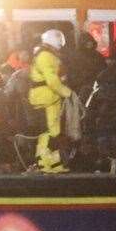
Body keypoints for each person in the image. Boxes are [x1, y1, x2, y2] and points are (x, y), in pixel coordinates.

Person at [28, 28, 73, 173]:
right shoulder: (46, 56)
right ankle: (46, 165)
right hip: (47, 98)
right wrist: (67, 92)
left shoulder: (45, 54)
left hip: (47, 97)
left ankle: (51, 165)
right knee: (49, 133)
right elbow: (52, 80)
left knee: (50, 132)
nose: (61, 44)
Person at [66, 31, 107, 99]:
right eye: (86, 42)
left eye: (90, 41)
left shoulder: (98, 55)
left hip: (96, 86)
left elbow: (104, 70)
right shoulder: (76, 56)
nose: (89, 44)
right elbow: (72, 73)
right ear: (82, 43)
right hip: (81, 88)